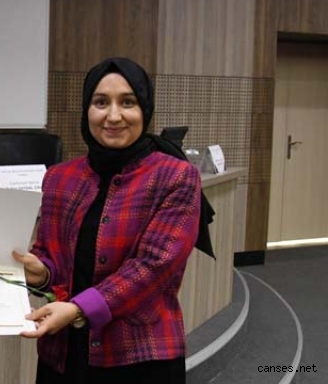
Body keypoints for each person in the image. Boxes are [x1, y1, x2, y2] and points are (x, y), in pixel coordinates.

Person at [14, 57, 207, 384]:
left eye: (127, 102)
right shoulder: (59, 177)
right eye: (101, 102)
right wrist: (42, 273)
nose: (113, 116)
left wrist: (78, 309)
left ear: (145, 108)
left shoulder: (176, 177)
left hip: (139, 357)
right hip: (62, 353)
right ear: (86, 110)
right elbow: (52, 256)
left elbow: (153, 267)